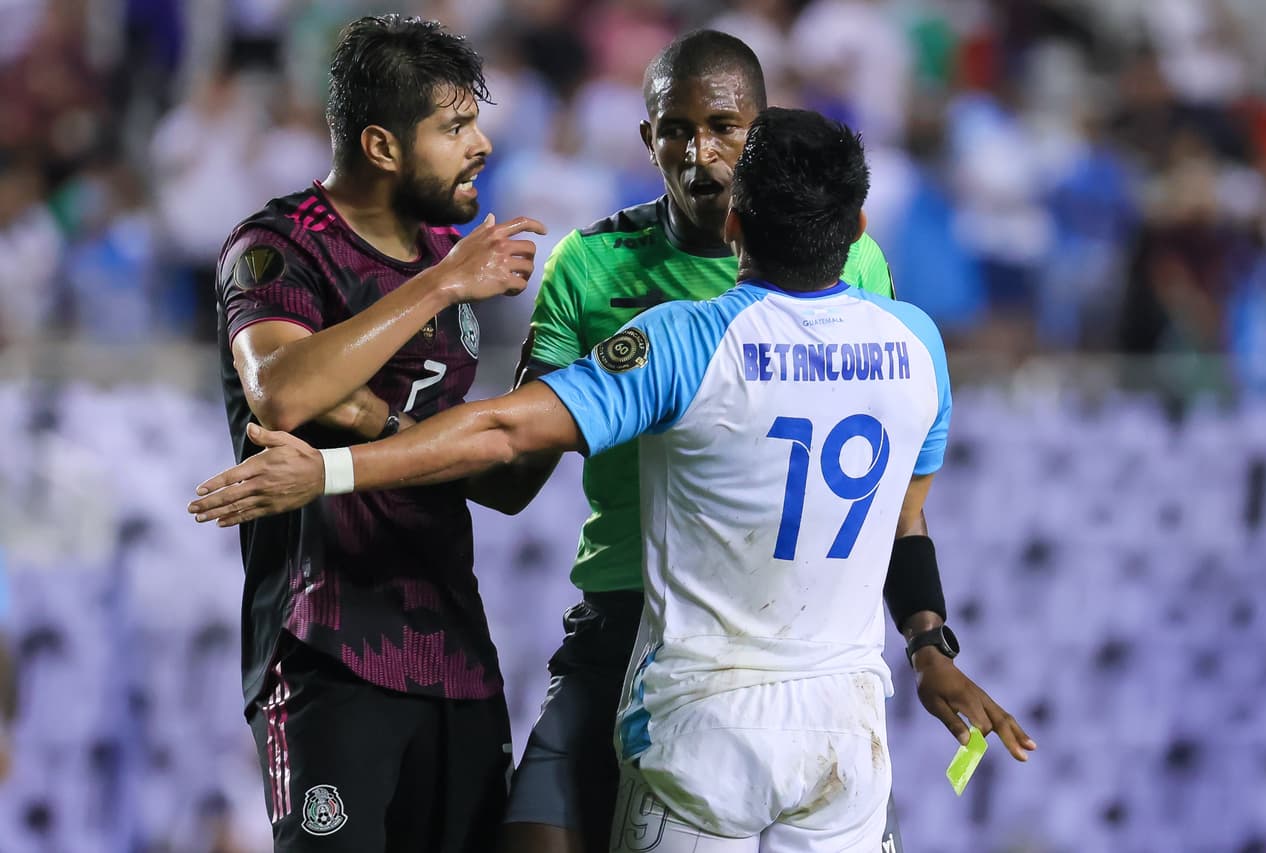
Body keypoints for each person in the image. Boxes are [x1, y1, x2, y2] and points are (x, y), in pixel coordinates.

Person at [189, 107, 1037, 852]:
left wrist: (331, 467)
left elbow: (501, 427)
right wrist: (929, 644)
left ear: (735, 221)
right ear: (858, 228)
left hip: (705, 722)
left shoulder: (686, 340)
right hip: (846, 730)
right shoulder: (918, 343)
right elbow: (906, 518)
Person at [467, 30, 1011, 853]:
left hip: (803, 643)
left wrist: (927, 636)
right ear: (646, 138)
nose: (698, 151)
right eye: (675, 129)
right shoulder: (590, 262)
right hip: (629, 610)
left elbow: (898, 501)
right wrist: (390, 443)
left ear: (760, 136)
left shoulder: (849, 260)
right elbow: (515, 473)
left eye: (723, 127)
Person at [208, 14, 544, 852]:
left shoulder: (448, 255)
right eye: (455, 126)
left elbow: (498, 484)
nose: (483, 145)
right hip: (326, 647)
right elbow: (280, 393)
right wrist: (438, 288)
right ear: (383, 147)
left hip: (456, 652)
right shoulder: (280, 246)